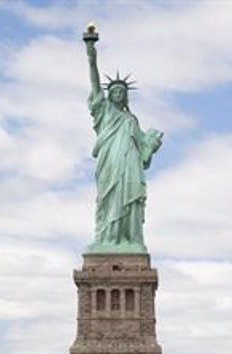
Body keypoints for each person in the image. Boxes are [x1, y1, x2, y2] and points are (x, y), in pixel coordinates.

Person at [85, 33, 163, 253]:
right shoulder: (105, 112)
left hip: (130, 167)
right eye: (114, 91)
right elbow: (94, 84)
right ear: (109, 96)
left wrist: (152, 144)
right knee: (108, 199)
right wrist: (91, 55)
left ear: (126, 96)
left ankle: (128, 238)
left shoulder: (131, 120)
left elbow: (144, 150)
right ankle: (107, 238)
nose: (118, 94)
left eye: (122, 92)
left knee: (128, 198)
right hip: (110, 163)